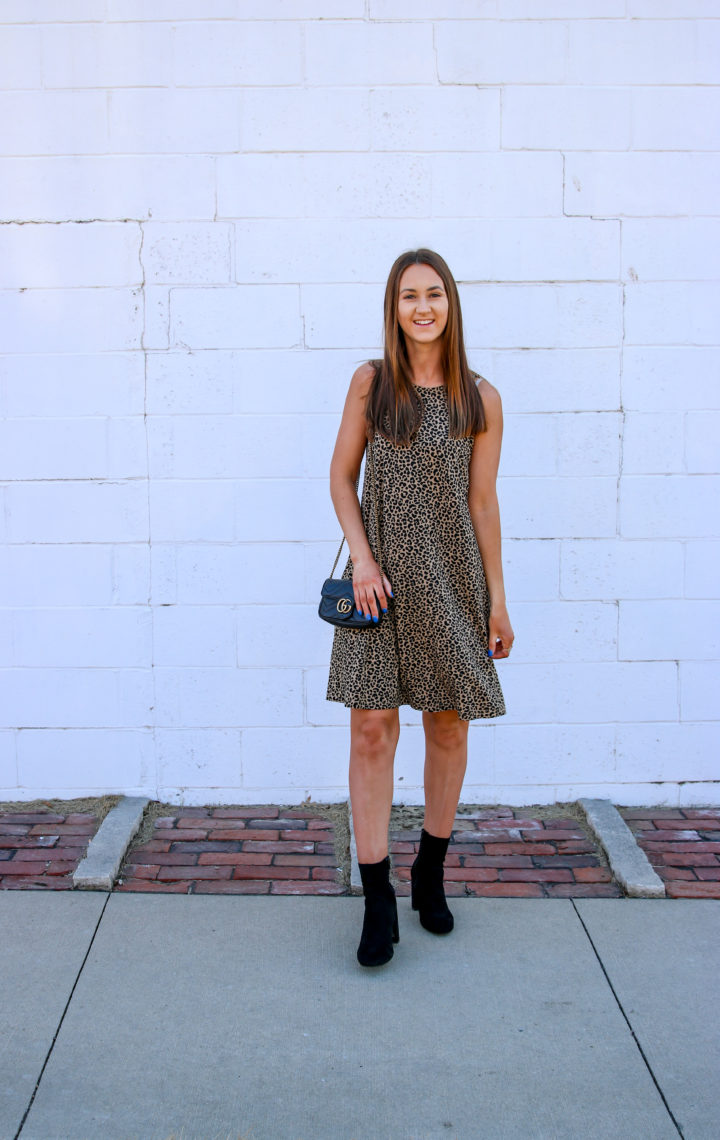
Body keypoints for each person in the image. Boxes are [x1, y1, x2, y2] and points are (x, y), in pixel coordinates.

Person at [326, 248, 513, 968]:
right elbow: (342, 480)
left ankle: (428, 871)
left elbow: (484, 503)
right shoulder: (370, 385)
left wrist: (497, 601)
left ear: (451, 304)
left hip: (451, 580)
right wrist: (364, 559)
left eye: (434, 294)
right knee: (371, 730)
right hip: (376, 585)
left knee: (447, 726)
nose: (423, 307)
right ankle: (376, 899)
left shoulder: (480, 398)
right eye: (409, 296)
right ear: (393, 308)